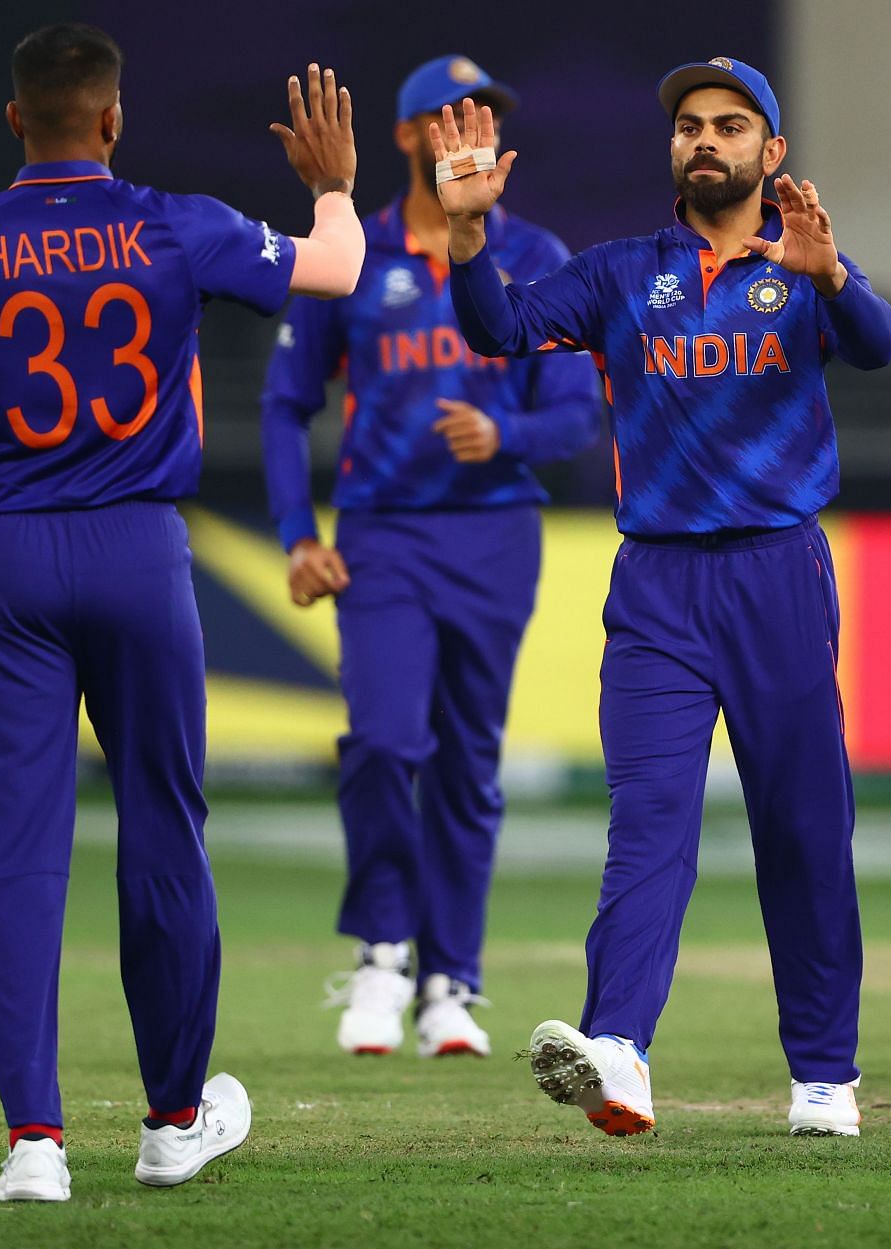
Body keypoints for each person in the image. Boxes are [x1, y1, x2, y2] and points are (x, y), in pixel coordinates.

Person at [0, 24, 364, 1201]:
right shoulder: (177, 224)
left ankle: (35, 1142)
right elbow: (333, 270)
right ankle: (173, 1123)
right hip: (140, 550)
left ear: (14, 120)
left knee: (16, 863)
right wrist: (332, 186)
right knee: (164, 834)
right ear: (115, 119)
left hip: (9, 563)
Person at [433, 56, 891, 1137]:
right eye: (690, 125)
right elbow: (499, 329)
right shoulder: (617, 272)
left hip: (778, 575)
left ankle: (825, 1074)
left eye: (731, 126)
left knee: (804, 831)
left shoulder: (804, 263)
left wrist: (831, 277)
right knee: (647, 829)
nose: (705, 140)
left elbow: (877, 347)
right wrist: (467, 238)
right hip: (657, 589)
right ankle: (621, 1050)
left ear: (771, 153)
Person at [261, 54, 600, 1062]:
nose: (474, 132)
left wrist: (508, 439)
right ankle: (381, 953)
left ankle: (453, 980)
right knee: (381, 743)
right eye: (454, 118)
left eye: (488, 118)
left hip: (497, 534)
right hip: (383, 534)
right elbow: (285, 403)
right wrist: (296, 536)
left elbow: (579, 410)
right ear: (408, 137)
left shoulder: (537, 254)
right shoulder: (351, 251)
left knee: (466, 765)